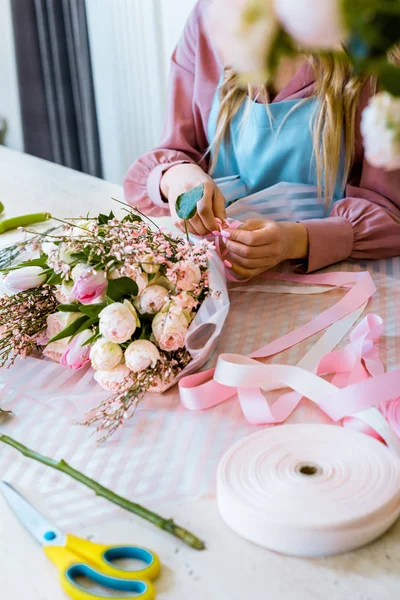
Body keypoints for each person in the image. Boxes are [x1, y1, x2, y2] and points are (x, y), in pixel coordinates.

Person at [124, 0, 400, 278]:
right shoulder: (213, 16)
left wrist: (295, 240)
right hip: (223, 283)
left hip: (331, 282)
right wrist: (178, 176)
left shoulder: (377, 44)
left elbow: (391, 213)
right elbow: (173, 152)